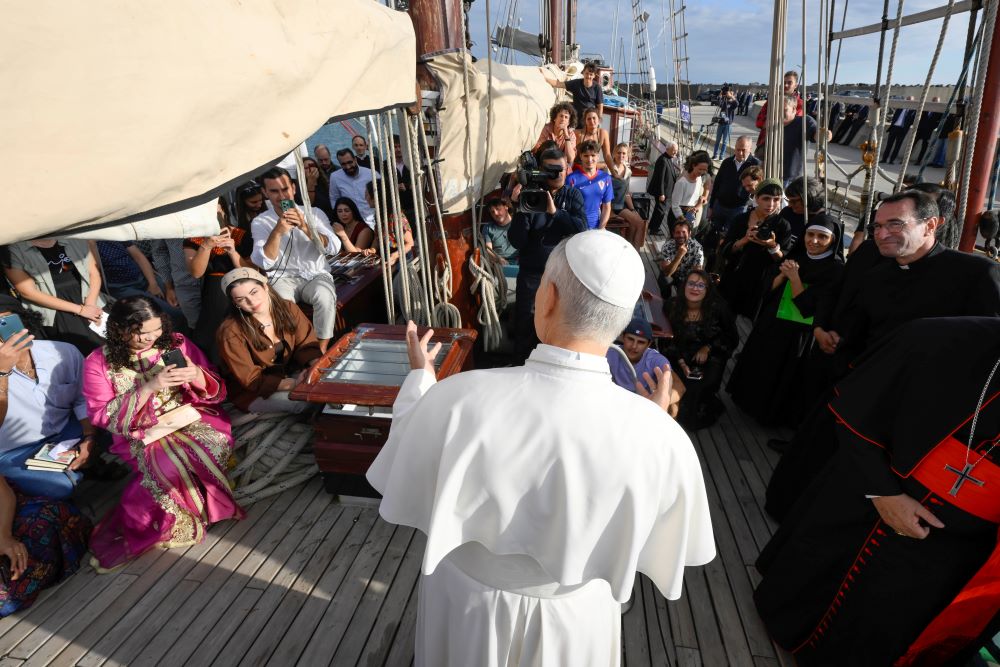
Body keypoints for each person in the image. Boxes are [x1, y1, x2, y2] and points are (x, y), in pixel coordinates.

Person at [367, 231, 715, 666]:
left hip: (466, 603)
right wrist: (648, 421)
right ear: (623, 320)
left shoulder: (456, 398)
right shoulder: (662, 437)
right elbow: (667, 539)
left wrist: (421, 380)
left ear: (546, 297)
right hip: (575, 619)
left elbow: (404, 451)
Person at [755, 316, 1000, 667]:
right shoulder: (940, 337)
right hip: (868, 508)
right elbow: (857, 412)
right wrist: (883, 493)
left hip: (958, 554)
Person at [764, 190, 1000, 521]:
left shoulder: (977, 275)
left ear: (931, 225)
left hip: (926, 414)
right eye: (876, 226)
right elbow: (859, 330)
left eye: (894, 224)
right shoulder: (877, 275)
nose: (881, 234)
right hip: (865, 388)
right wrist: (830, 337)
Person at [82, 296, 244, 572]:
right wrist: (148, 388)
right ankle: (165, 522)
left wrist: (196, 375)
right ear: (121, 329)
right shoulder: (98, 362)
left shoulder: (176, 342)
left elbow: (214, 386)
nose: (151, 338)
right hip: (138, 432)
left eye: (156, 330)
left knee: (210, 444)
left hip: (191, 415)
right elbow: (100, 414)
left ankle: (201, 506)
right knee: (166, 466)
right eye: (143, 333)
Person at [726, 217, 844, 427]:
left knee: (784, 377)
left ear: (833, 240)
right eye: (810, 234)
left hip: (799, 334)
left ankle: (771, 417)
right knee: (762, 366)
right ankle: (749, 404)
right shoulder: (796, 255)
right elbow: (766, 290)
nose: (814, 241)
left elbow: (811, 309)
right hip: (773, 324)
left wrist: (795, 278)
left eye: (822, 237)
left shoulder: (835, 270)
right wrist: (781, 277)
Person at [0, 296, 93, 498]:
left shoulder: (61, 351)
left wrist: (89, 436)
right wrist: (2, 372)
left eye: (5, 322)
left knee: (117, 429)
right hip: (14, 451)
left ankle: (81, 466)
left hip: (66, 433)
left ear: (23, 320)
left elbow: (82, 398)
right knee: (60, 486)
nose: (3, 335)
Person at [507, 147, 587, 363]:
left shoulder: (572, 195)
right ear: (541, 171)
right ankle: (519, 368)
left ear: (568, 169)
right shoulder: (531, 196)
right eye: (551, 171)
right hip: (532, 274)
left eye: (560, 170)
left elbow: (581, 229)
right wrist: (518, 208)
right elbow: (516, 241)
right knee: (525, 325)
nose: (557, 175)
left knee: (558, 325)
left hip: (563, 276)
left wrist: (556, 213)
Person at [250, 166, 341, 354]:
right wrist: (277, 231)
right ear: (265, 193)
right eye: (274, 191)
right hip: (282, 277)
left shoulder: (314, 213)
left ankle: (320, 351)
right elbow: (263, 262)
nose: (281, 196)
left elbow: (334, 247)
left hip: (315, 274)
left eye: (285, 189)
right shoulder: (260, 222)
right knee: (282, 304)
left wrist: (306, 227)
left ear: (294, 188)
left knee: (324, 297)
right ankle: (296, 352)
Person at [216, 268, 322, 414]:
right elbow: (251, 379)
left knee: (325, 390)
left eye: (254, 292)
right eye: (241, 299)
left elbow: (306, 344)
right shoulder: (230, 331)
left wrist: (316, 370)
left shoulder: (289, 308)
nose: (251, 301)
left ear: (265, 287)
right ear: (235, 304)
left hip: (290, 373)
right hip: (254, 391)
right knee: (303, 403)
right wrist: (294, 383)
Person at [663, 269, 738, 429]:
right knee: (676, 380)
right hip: (679, 354)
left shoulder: (719, 309)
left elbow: (732, 338)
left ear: (707, 290)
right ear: (684, 286)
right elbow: (666, 339)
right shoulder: (672, 305)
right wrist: (682, 363)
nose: (695, 288)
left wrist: (708, 347)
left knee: (699, 386)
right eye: (691, 283)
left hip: (710, 355)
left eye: (701, 285)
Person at [4, 238, 106, 354]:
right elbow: (27, 292)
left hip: (90, 300)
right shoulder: (12, 250)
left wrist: (91, 303)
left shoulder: (75, 239)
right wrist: (80, 310)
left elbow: (94, 272)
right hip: (54, 310)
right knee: (79, 352)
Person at [184, 197, 256, 360]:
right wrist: (207, 246)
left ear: (223, 211)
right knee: (212, 331)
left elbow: (252, 272)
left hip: (240, 283)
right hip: (214, 290)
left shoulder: (240, 234)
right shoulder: (195, 239)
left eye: (216, 212)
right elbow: (196, 272)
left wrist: (232, 251)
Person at [719, 179, 790, 318]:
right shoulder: (741, 219)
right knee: (724, 317)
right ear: (757, 198)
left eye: (776, 199)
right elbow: (725, 250)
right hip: (734, 277)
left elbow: (783, 260)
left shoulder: (782, 225)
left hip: (759, 283)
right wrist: (744, 240)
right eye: (766, 199)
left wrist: (773, 247)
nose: (771, 204)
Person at [96, 240, 188, 330]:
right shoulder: (90, 243)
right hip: (121, 288)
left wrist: (153, 284)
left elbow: (138, 256)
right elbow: (95, 268)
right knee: (175, 315)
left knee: (182, 305)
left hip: (143, 278)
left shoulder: (114, 234)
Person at [605, 317, 684, 418]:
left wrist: (659, 402)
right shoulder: (610, 352)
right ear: (622, 336)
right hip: (618, 403)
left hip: (646, 406)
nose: (634, 346)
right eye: (630, 339)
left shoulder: (656, 359)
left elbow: (680, 387)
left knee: (674, 406)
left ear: (649, 344)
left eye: (641, 342)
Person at [708, 135, 761, 230]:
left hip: (738, 208)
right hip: (720, 206)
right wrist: (711, 206)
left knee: (730, 234)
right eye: (737, 149)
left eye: (743, 150)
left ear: (750, 149)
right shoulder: (727, 162)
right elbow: (717, 184)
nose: (740, 153)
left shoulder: (755, 165)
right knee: (713, 232)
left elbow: (758, 188)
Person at [778, 95, 828, 185]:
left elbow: (818, 136)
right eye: (777, 110)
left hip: (789, 178)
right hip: (770, 171)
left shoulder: (805, 122)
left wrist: (825, 135)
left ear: (793, 109)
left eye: (784, 110)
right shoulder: (774, 124)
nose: (779, 113)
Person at [607, 143, 648, 250]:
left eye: (624, 153)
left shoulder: (628, 171)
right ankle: (634, 252)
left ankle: (630, 249)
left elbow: (626, 193)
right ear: (614, 154)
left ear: (627, 155)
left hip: (621, 206)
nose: (621, 155)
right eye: (619, 153)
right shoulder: (607, 169)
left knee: (639, 224)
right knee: (639, 223)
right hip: (610, 206)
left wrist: (632, 209)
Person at [565, 140, 614, 230]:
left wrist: (601, 229)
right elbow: (567, 209)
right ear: (580, 156)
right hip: (576, 229)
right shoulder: (571, 179)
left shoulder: (605, 178)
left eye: (593, 155)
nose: (590, 159)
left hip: (597, 228)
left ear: (598, 156)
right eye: (586, 156)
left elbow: (607, 207)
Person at [365, 180, 414, 266]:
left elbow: (410, 244)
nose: (365, 198)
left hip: (403, 257)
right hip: (388, 256)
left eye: (367, 194)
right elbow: (378, 238)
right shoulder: (380, 215)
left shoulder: (396, 217)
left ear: (376, 197)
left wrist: (394, 256)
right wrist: (372, 250)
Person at [544, 61, 604, 127]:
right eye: (586, 73)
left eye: (591, 74)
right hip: (576, 119)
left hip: (589, 119)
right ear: (583, 73)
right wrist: (544, 78)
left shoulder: (597, 87)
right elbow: (559, 84)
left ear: (594, 76)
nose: (588, 76)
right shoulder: (576, 83)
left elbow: (600, 106)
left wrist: (598, 120)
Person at [755, 71, 803, 152]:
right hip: (765, 144)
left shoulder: (799, 104)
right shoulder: (772, 100)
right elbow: (759, 122)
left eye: (789, 83)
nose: (786, 85)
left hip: (785, 147)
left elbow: (793, 124)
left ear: (795, 85)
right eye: (784, 82)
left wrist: (771, 122)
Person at [328, 149, 376, 226]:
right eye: (343, 164)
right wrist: (340, 216)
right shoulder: (335, 177)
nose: (348, 166)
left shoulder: (371, 174)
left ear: (355, 159)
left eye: (350, 162)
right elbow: (334, 198)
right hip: (352, 223)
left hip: (373, 220)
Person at [657, 220, 704, 297]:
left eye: (684, 232)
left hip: (687, 278)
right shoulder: (667, 246)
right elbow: (667, 273)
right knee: (664, 279)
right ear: (673, 234)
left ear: (689, 234)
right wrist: (679, 255)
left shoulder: (697, 248)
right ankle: (666, 300)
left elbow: (697, 272)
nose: (681, 235)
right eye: (678, 232)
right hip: (671, 273)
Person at [670, 152, 712, 231]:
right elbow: (675, 206)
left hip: (690, 214)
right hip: (679, 216)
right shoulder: (682, 183)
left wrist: (699, 204)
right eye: (700, 169)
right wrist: (684, 222)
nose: (702, 172)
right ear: (693, 165)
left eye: (705, 170)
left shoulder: (699, 179)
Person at [647, 142, 681, 234]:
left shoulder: (668, 159)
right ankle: (654, 230)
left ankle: (652, 226)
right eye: (674, 150)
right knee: (660, 211)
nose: (675, 152)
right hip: (663, 192)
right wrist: (661, 193)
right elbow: (660, 179)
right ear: (667, 149)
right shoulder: (663, 160)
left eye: (676, 150)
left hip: (666, 192)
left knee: (658, 210)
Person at [482, 196, 518, 265]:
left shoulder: (518, 223)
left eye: (498, 209)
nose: (495, 213)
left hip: (519, 263)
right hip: (498, 264)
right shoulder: (488, 228)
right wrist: (498, 259)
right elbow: (488, 250)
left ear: (506, 207)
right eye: (492, 212)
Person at [880, 99, 916, 164]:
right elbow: (894, 116)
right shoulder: (900, 108)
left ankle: (891, 160)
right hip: (894, 127)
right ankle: (884, 159)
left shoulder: (913, 111)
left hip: (902, 130)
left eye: (910, 101)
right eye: (907, 100)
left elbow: (913, 121)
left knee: (897, 146)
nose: (908, 102)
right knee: (889, 145)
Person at [299, 156, 334, 220]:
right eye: (307, 168)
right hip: (316, 220)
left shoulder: (325, 183)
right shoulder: (299, 187)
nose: (311, 169)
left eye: (313, 166)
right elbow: (309, 204)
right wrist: (311, 182)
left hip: (330, 218)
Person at [913, 98, 942, 163]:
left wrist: (933, 127)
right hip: (920, 129)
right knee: (912, 144)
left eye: (936, 102)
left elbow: (939, 121)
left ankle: (918, 161)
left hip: (928, 131)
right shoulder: (926, 108)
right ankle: (906, 159)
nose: (935, 103)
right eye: (934, 101)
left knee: (924, 147)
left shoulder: (939, 111)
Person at [712, 88, 739, 160]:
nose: (727, 94)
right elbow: (719, 103)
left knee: (724, 142)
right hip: (721, 123)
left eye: (729, 93)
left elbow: (737, 104)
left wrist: (732, 97)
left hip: (728, 125)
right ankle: (715, 155)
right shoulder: (724, 101)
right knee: (717, 140)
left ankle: (721, 156)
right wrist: (720, 95)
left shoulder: (733, 103)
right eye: (727, 93)